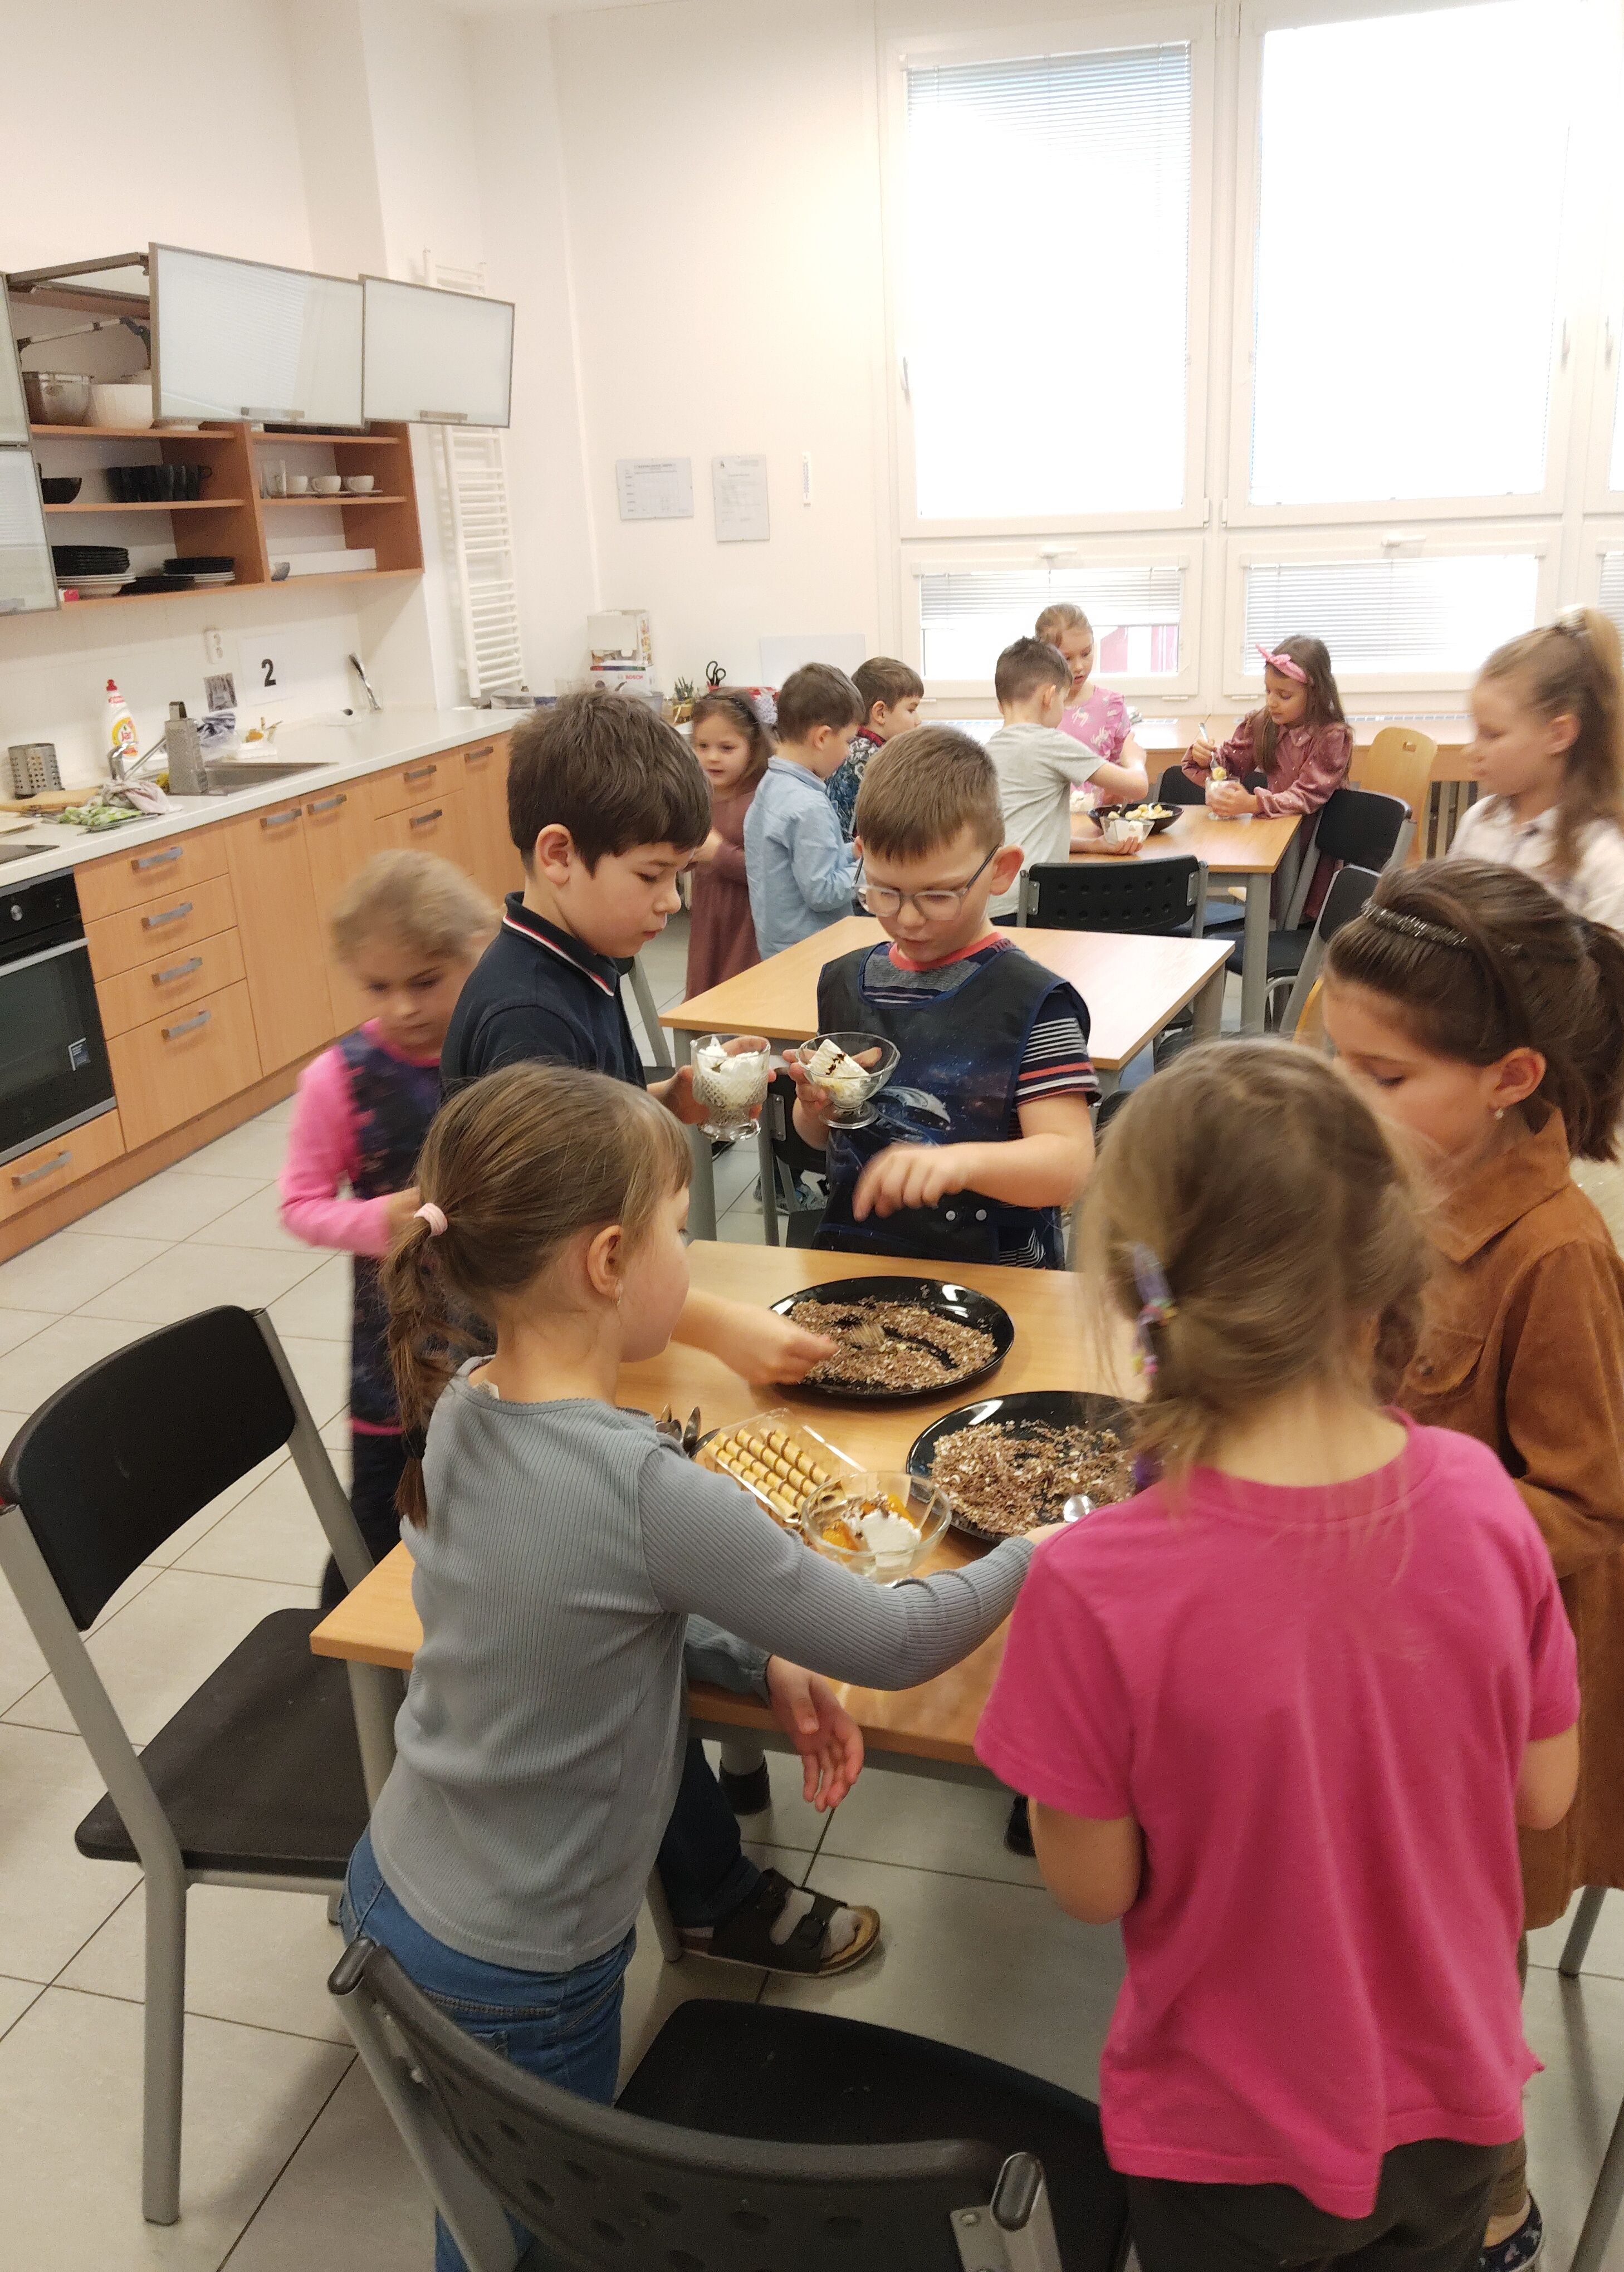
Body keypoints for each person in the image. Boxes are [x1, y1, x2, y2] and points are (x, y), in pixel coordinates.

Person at [342, 1062, 1042, 2272]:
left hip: (400, 1880)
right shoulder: (644, 1488)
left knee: (476, 2192)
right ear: (610, 1261)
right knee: (525, 2237)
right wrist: (1038, 1549)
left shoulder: (464, 1400)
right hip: (526, 1965)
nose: (693, 1256)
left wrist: (758, 1651)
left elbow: (570, 1604)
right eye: (681, 1230)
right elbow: (894, 1641)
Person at [976, 1041, 1581, 2272]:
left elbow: (1094, 1889)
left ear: (1143, 1292)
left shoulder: (1092, 1584)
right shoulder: (1482, 1496)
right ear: (1386, 1265)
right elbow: (1545, 1792)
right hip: (1460, 2105)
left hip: (1232, 2143)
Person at [438, 688, 869, 1981]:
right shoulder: (525, 1008)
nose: (674, 903)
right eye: (655, 876)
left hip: (571, 1335)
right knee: (641, 1607)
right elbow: (574, 1240)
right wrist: (728, 1325)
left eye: (685, 873)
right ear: (558, 854)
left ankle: (724, 1780)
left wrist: (670, 1095)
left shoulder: (574, 962)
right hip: (540, 1363)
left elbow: (591, 1142)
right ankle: (713, 1891)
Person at [1324, 860, 1624, 2272]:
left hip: (1494, 1673)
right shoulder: (1397, 1177)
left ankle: (1492, 2204)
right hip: (1383, 1640)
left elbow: (1586, 1505)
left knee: (1461, 1960)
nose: (1345, 1096)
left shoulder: (1556, 1252)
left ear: (1510, 1078)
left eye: (1381, 1075)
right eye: (1336, 1060)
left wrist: (1389, 1513)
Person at [787, 727, 1097, 1269]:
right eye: (884, 891)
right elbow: (818, 1137)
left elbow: (1070, 1165)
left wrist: (958, 1165)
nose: (908, 918)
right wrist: (817, 1108)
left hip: (996, 1284)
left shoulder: (1033, 1004)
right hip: (861, 1270)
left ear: (1000, 871)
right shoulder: (844, 982)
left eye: (937, 895)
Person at [277, 850, 495, 1609]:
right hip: (395, 1363)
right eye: (378, 987)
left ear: (475, 952)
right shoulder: (339, 1079)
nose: (403, 1007)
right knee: (383, 1531)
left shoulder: (497, 1047)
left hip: (505, 1341)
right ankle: (356, 1648)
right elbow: (299, 1204)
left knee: (496, 1510)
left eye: (426, 981)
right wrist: (379, 1220)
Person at [1449, 608, 1624, 1272]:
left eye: (1492, 733)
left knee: (1562, 1285)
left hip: (1572, 1131)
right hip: (1489, 1106)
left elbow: (1615, 1040)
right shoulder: (1481, 825)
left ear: (1559, 734)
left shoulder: (1616, 873)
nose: (1473, 749)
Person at [1185, 634, 1352, 918]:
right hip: (1273, 838)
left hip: (1311, 849)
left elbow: (1306, 795)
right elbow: (1229, 765)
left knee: (1294, 915)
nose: (1272, 702)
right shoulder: (1264, 723)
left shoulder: (1332, 736)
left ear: (1315, 693)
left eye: (1284, 696)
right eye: (1268, 691)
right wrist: (1206, 757)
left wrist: (1253, 803)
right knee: (1268, 912)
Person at [986, 637, 1149, 919]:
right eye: (1063, 701)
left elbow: (1024, 833)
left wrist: (1093, 845)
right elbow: (1138, 787)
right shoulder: (1052, 743)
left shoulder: (988, 750)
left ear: (1001, 705)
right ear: (1049, 697)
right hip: (1031, 903)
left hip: (992, 903)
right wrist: (1134, 758)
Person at [744, 662, 864, 956]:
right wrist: (873, 869)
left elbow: (803, 863)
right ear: (822, 737)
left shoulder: (771, 785)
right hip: (813, 953)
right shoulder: (809, 806)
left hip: (778, 948)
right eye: (848, 741)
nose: (849, 751)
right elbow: (823, 891)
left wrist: (852, 853)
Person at [684, 687, 769, 996]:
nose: (712, 757)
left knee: (739, 997)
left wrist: (719, 854)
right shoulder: (699, 796)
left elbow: (773, 873)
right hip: (709, 920)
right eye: (702, 746)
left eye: (727, 748)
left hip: (747, 925)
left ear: (752, 747)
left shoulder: (763, 799)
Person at [1036, 600, 1139, 787]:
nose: (1079, 667)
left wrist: (1116, 792)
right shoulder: (1034, 707)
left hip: (1097, 807)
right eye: (1067, 658)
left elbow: (1123, 770)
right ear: (1044, 658)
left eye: (1086, 654)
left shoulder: (1111, 706)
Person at [825, 655, 924, 838]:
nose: (918, 720)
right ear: (880, 713)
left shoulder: (853, 745)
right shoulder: (870, 758)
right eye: (911, 710)